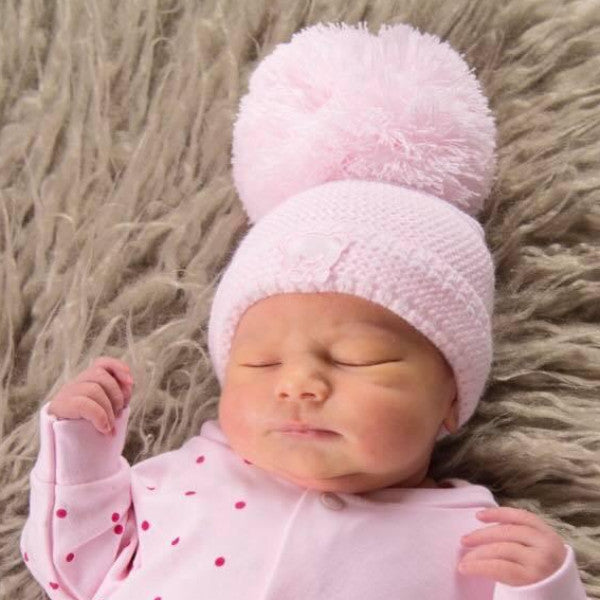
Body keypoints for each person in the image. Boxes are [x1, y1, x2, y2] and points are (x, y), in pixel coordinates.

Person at [20, 21, 589, 600]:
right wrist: (80, 452)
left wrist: (546, 587)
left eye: (358, 360)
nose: (299, 385)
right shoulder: (181, 480)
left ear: (450, 398)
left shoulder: (473, 537)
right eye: (262, 363)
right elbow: (72, 569)